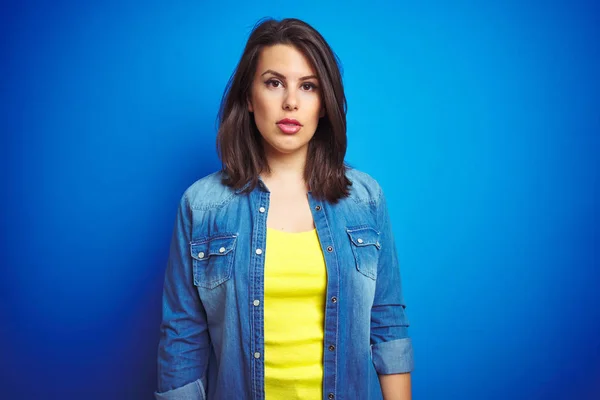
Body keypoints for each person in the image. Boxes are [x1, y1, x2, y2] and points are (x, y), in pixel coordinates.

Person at [155, 17, 414, 400]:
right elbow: (181, 341)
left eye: (308, 86)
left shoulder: (365, 198)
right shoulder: (202, 205)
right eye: (274, 83)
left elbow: (388, 324)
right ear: (248, 96)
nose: (291, 102)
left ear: (324, 103)